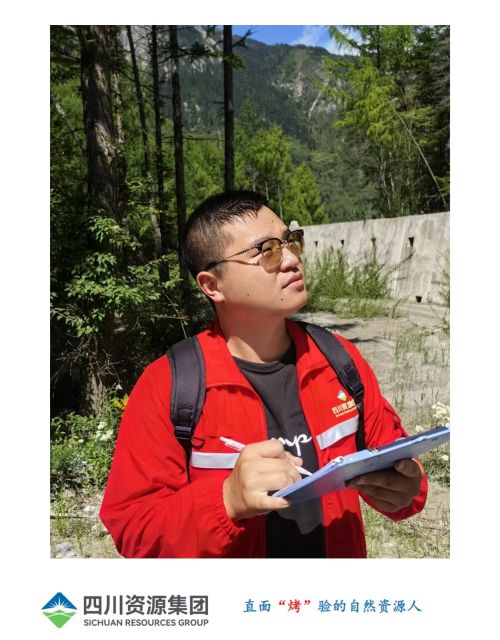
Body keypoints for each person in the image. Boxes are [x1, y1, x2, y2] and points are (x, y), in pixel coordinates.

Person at [100, 190, 427, 558]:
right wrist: (226, 501)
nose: (291, 259)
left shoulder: (338, 360)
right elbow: (134, 530)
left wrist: (408, 485)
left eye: (290, 241)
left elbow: (399, 463)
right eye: (266, 250)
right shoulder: (170, 385)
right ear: (212, 285)